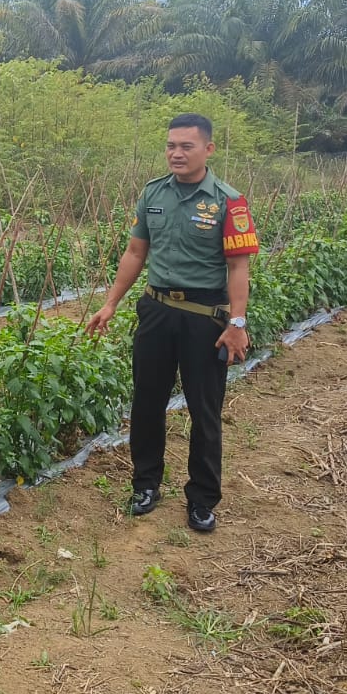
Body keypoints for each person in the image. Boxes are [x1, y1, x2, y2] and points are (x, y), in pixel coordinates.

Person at [85, 114, 259, 533]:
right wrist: (111, 303)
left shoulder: (227, 201)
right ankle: (145, 484)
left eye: (186, 146)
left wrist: (237, 322)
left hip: (205, 318)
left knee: (204, 410)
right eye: (171, 146)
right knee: (147, 402)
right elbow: (134, 252)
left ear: (208, 150)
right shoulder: (153, 194)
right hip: (157, 311)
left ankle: (202, 498)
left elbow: (239, 267)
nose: (176, 154)